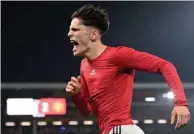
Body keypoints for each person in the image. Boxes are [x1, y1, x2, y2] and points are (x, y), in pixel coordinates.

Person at [65, 4, 190, 134]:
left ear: (94, 35)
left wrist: (180, 102)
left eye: (75, 30)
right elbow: (88, 111)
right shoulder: (84, 66)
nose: (69, 34)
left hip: (122, 129)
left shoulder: (118, 55)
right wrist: (77, 95)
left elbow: (165, 66)